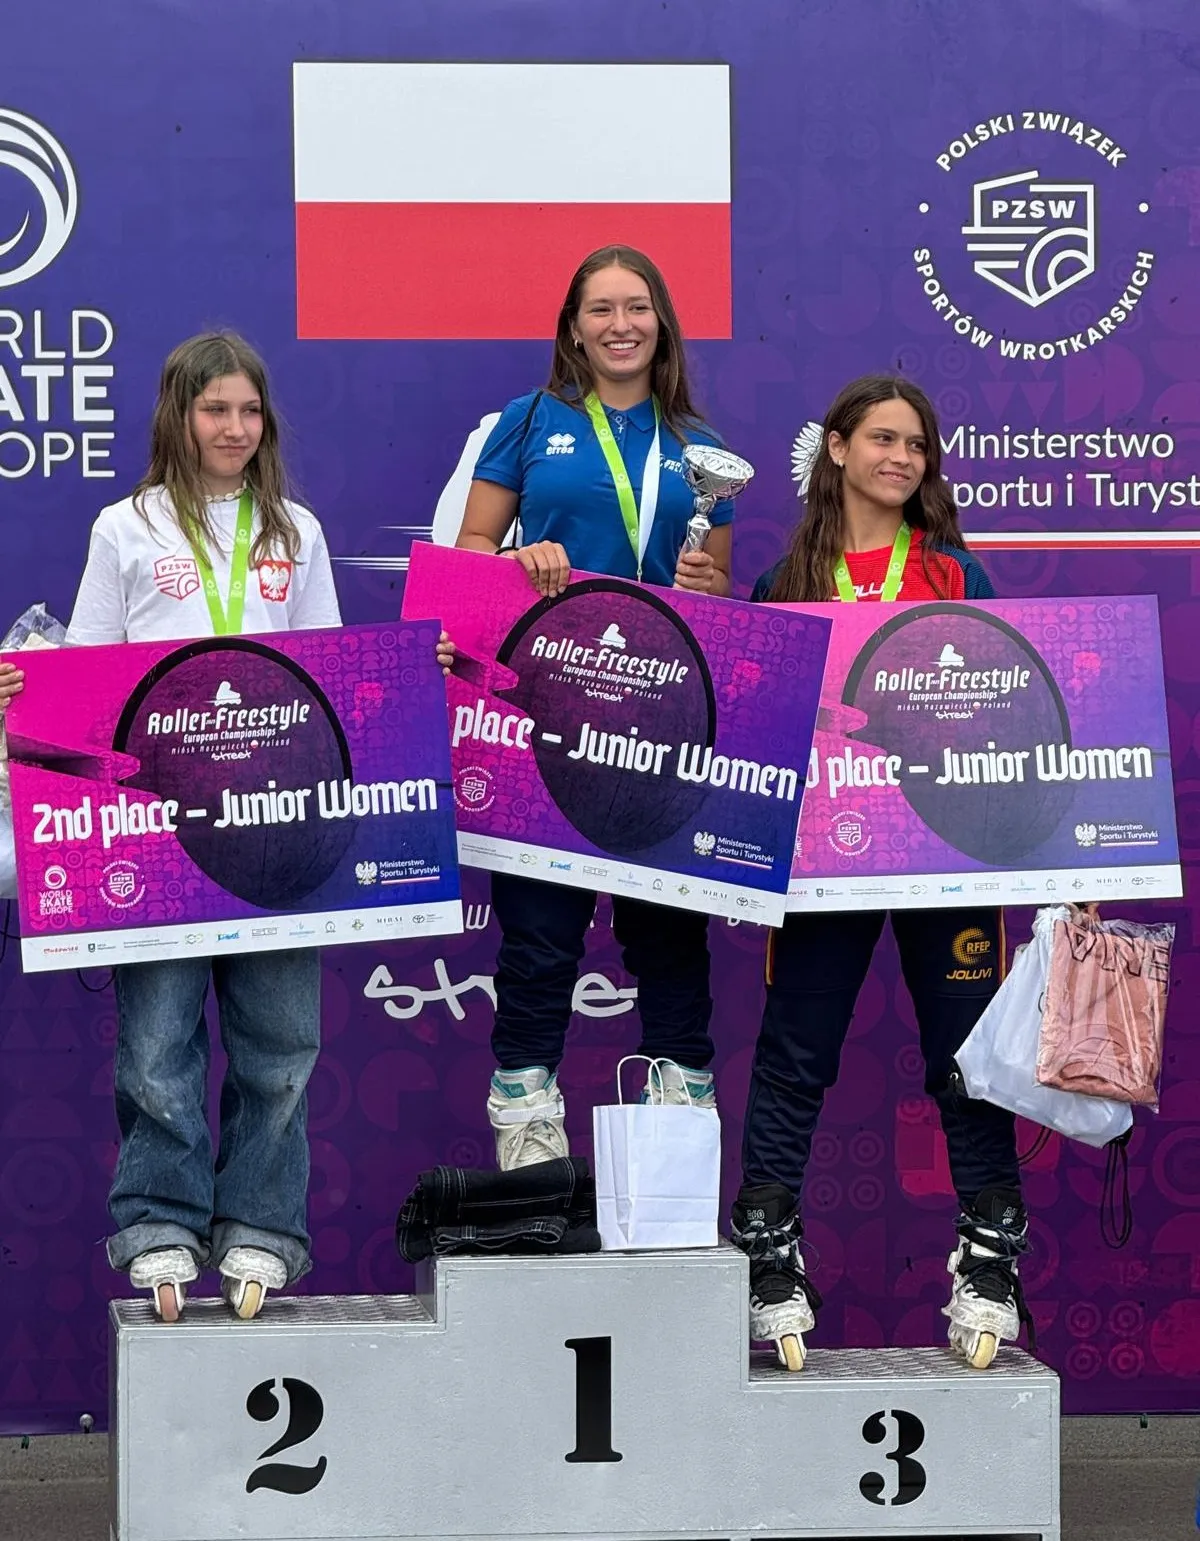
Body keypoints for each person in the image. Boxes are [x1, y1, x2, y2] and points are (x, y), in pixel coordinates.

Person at [730, 374, 1028, 1372]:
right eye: (884, 438)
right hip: (824, 860)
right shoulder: (787, 578)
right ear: (840, 450)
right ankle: (770, 1258)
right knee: (795, 1051)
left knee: (969, 1059)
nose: (903, 457)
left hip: (942, 861)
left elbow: (1010, 709)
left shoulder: (955, 576)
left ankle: (989, 1259)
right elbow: (760, 721)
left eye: (918, 444)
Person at [54, 332, 339, 1321]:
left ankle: (263, 1225)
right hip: (157, 827)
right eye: (214, 409)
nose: (232, 428)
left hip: (274, 824)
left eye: (248, 411)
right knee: (158, 1043)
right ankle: (160, 1224)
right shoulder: (123, 528)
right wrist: (27, 691)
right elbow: (86, 677)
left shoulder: (293, 530)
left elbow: (327, 678)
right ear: (178, 416)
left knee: (281, 1041)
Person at [448, 244, 735, 1169]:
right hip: (548, 713)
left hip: (661, 722)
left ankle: (678, 1129)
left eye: (637, 307)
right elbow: (469, 556)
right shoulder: (529, 422)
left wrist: (708, 579)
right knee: (540, 935)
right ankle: (526, 1125)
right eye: (602, 308)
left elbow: (721, 596)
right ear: (573, 326)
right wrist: (513, 565)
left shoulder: (697, 446)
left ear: (661, 323)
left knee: (668, 935)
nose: (621, 324)